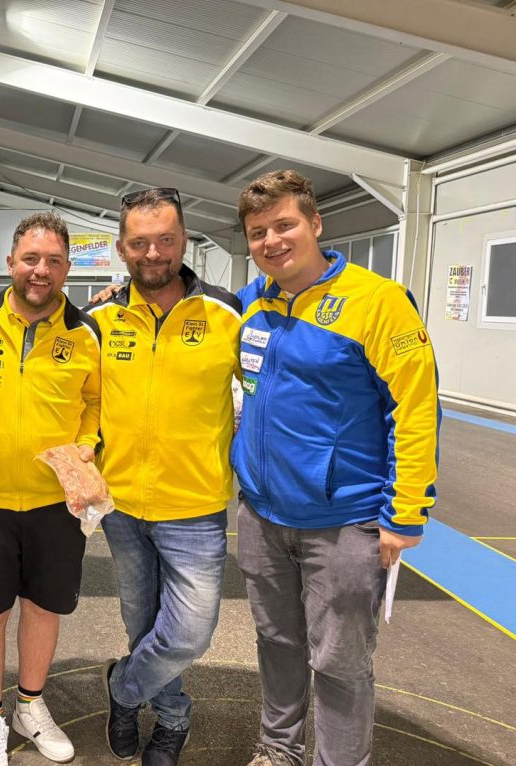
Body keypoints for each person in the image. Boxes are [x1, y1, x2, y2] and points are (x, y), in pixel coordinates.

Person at [233, 170, 439, 766]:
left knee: (340, 662)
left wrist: (405, 514)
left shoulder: (378, 302)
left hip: (345, 521)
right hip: (262, 514)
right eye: (258, 232)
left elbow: (416, 408)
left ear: (316, 224)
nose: (272, 241)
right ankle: (279, 750)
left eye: (284, 225)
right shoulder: (250, 303)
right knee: (276, 643)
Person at [85, 188, 241, 765]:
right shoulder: (99, 319)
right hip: (121, 505)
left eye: (166, 240)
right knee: (143, 623)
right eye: (140, 243)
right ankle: (171, 720)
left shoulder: (228, 314)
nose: (153, 253)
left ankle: (123, 689)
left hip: (195, 506)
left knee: (190, 634)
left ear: (184, 241)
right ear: (121, 249)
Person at [0, 211, 101, 765]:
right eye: (31, 259)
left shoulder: (85, 333)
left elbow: (95, 403)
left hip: (56, 503)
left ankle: (30, 707)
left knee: (42, 609)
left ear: (67, 269)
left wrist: (88, 444)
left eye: (54, 261)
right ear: (10, 261)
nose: (41, 270)